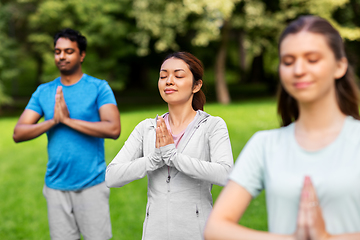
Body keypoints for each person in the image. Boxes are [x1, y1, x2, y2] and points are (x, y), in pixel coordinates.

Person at [204, 15, 360, 240]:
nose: (298, 70)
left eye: (312, 59)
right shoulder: (265, 145)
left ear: (339, 66)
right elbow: (215, 229)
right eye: (288, 61)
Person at [105, 51, 233, 240]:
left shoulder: (212, 126)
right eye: (163, 76)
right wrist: (154, 159)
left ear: (196, 85)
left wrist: (173, 157)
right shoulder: (146, 128)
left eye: (178, 76)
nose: (169, 81)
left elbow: (226, 175)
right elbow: (111, 177)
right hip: (154, 233)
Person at [13, 28, 120, 240]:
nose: (62, 56)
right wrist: (53, 121)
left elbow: (113, 128)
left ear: (81, 55)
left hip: (91, 184)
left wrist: (69, 121)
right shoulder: (43, 91)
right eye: (57, 51)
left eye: (69, 51)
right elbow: (19, 132)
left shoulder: (99, 88)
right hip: (55, 186)